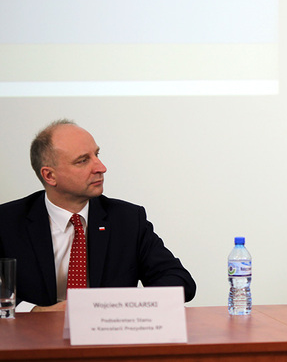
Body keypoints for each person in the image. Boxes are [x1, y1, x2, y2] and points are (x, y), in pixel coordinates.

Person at [0, 119, 196, 311]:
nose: (101, 167)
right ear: (50, 176)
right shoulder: (6, 222)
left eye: (97, 154)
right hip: (33, 331)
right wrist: (36, 312)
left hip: (109, 329)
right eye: (83, 160)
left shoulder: (127, 220)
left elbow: (180, 281)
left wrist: (119, 306)